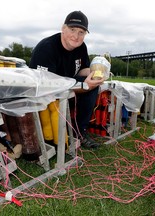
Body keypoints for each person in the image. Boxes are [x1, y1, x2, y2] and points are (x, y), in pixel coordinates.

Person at [29, 10, 105, 148]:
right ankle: (51, 136)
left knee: (92, 86)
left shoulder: (81, 47)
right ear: (63, 29)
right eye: (72, 29)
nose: (76, 36)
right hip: (44, 91)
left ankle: (79, 132)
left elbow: (82, 70)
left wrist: (97, 72)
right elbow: (46, 85)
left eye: (81, 32)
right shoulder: (46, 48)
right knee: (85, 86)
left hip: (67, 84)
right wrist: (82, 86)